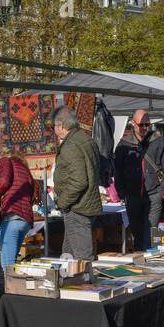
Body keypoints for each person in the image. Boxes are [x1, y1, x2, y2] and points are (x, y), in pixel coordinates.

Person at [114, 109, 164, 250]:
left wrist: (163, 192)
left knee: (149, 232)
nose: (145, 128)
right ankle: (140, 259)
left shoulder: (159, 141)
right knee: (136, 233)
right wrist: (122, 192)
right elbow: (118, 171)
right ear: (133, 123)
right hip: (132, 195)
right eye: (141, 124)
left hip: (153, 194)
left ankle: (148, 260)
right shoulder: (124, 144)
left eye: (147, 124)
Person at [50, 105, 101, 262]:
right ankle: (69, 281)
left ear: (62, 126)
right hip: (83, 205)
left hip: (77, 208)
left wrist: (62, 202)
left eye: (54, 126)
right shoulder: (85, 139)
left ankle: (85, 284)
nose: (53, 129)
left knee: (82, 260)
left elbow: (79, 181)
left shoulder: (71, 145)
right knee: (69, 255)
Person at [0, 152, 34, 270]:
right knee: (12, 264)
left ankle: (12, 288)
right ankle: (17, 287)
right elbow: (33, 194)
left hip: (12, 218)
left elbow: (3, 182)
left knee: (7, 266)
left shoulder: (6, 161)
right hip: (25, 221)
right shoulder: (26, 170)